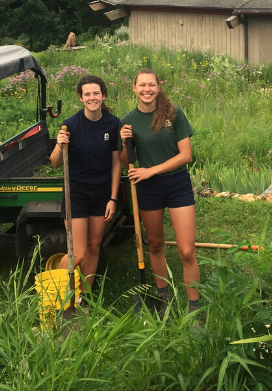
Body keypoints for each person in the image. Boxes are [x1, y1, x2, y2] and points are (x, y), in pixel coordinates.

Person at [119, 68, 200, 317]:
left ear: (158, 86)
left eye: (151, 85)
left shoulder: (173, 114)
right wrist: (123, 142)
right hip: (148, 189)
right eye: (142, 85)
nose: (147, 89)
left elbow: (185, 156)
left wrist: (151, 170)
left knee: (186, 250)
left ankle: (194, 307)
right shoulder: (128, 121)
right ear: (134, 88)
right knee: (155, 244)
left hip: (177, 184)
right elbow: (126, 161)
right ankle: (163, 296)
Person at [50, 75, 121, 299]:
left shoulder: (112, 123)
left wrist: (113, 198)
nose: (92, 98)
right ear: (81, 98)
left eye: (96, 93)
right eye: (87, 94)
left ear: (103, 95)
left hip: (101, 193)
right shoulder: (71, 125)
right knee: (77, 252)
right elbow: (54, 162)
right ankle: (56, 295)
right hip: (77, 192)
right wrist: (61, 145)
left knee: (93, 247)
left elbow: (117, 162)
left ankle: (83, 297)